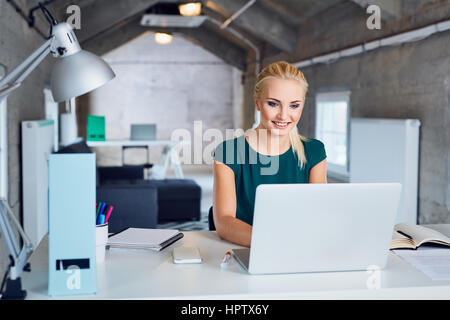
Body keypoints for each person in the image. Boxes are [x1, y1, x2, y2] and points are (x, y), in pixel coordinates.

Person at [213, 61, 327, 247]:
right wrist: (275, 243)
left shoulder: (314, 152)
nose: (283, 115)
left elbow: (319, 212)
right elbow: (224, 222)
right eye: (273, 104)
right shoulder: (228, 152)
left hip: (300, 249)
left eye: (294, 105)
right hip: (248, 249)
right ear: (257, 102)